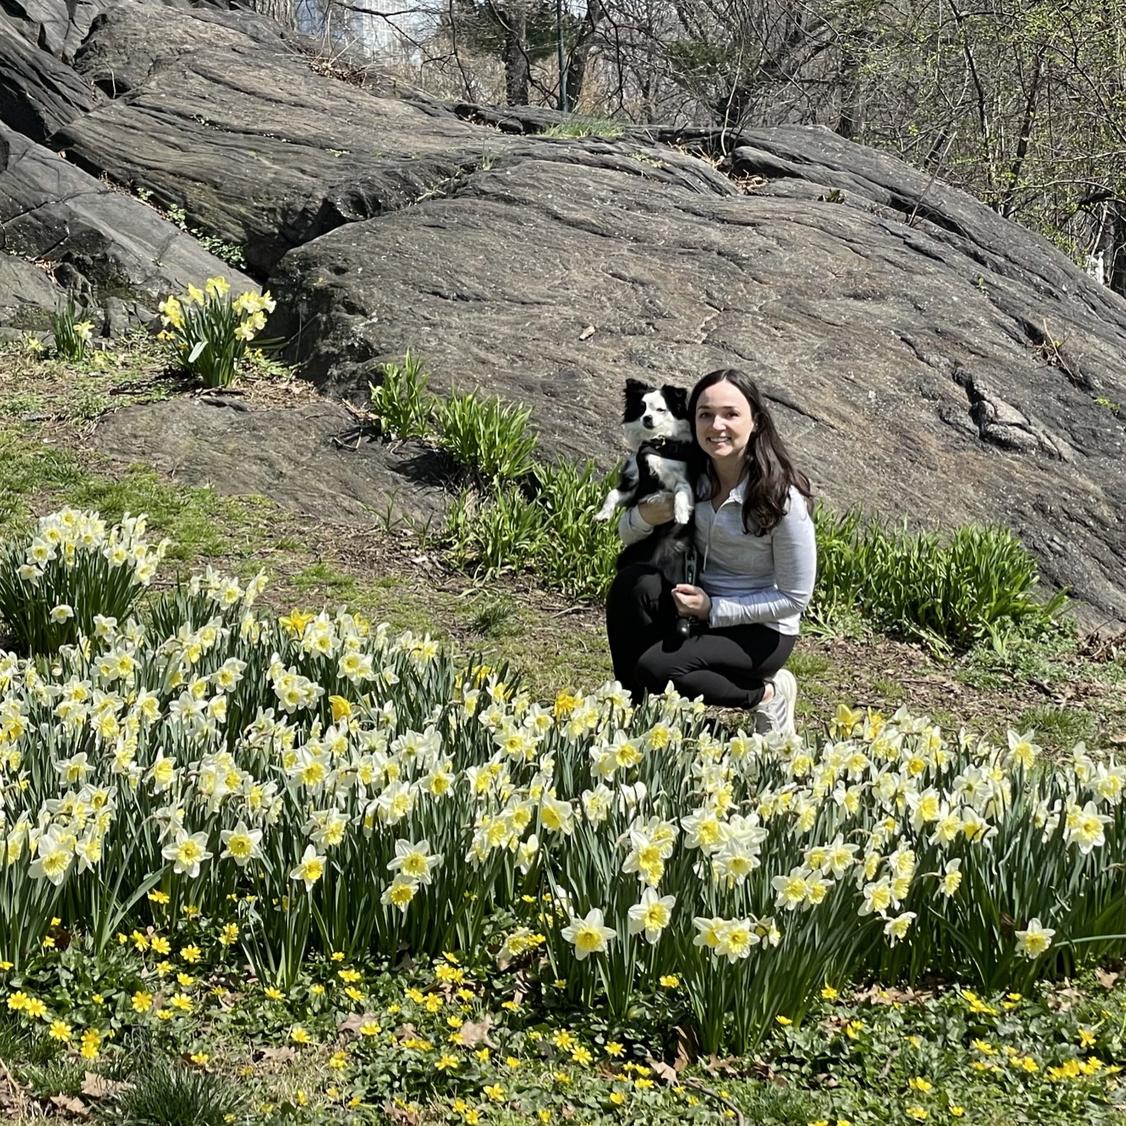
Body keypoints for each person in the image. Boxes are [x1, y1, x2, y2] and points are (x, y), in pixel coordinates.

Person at [604, 367, 816, 735]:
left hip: (760, 630)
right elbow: (626, 534)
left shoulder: (781, 500)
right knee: (630, 584)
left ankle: (767, 695)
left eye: (731, 414)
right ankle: (639, 715)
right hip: (695, 610)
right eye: (705, 414)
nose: (716, 425)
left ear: (756, 422)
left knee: (658, 669)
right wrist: (643, 516)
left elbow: (795, 597)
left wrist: (713, 609)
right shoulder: (689, 477)